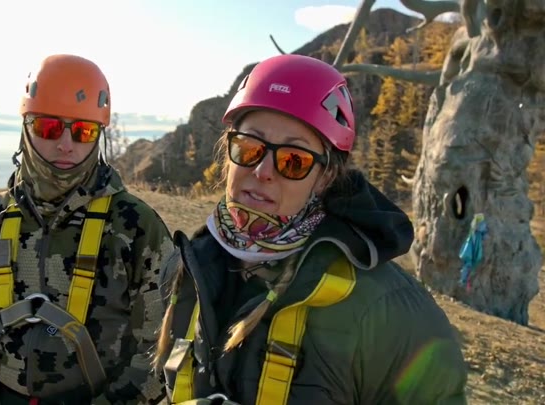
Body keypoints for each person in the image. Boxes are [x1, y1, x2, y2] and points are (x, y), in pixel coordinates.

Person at [154, 54, 468, 405]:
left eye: (293, 161)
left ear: (326, 177)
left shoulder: (386, 310)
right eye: (249, 147)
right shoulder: (188, 270)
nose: (262, 171)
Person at [0, 54, 174, 405]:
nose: (66, 144)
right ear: (26, 128)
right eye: (48, 127)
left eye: (84, 131)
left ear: (98, 136)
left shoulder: (136, 228)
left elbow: (163, 347)